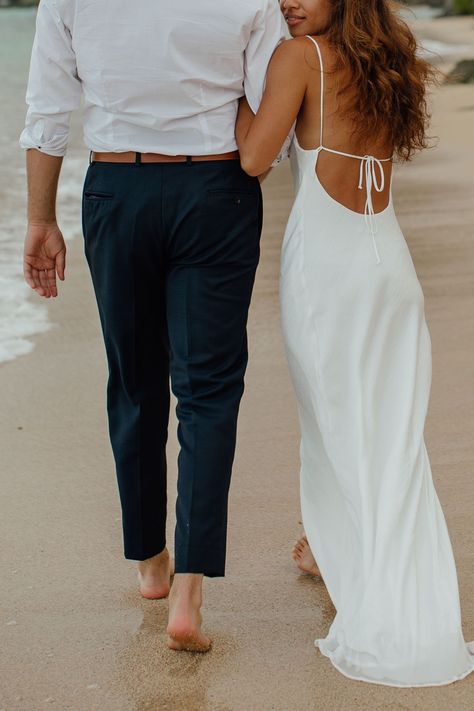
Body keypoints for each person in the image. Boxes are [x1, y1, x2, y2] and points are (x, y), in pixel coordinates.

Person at [20, 0, 286, 653]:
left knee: (134, 384)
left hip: (117, 186)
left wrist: (40, 218)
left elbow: (48, 110)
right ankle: (189, 593)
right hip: (216, 192)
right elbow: (270, 113)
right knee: (209, 392)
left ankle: (150, 562)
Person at [236, 0, 474, 687]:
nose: (289, 1)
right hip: (390, 266)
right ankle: (335, 554)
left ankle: (363, 584)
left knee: (336, 430)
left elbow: (254, 157)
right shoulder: (389, 58)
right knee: (393, 440)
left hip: (328, 275)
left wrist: (222, 92)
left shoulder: (298, 58)